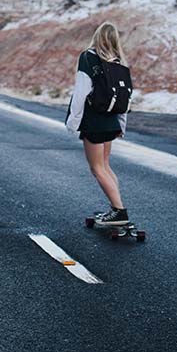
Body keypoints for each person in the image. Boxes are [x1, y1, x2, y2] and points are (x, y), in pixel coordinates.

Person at [65, 22, 130, 225]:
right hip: (111, 120)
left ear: (97, 37)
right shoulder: (118, 62)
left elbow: (81, 92)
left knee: (97, 169)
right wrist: (121, 125)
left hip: (94, 121)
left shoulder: (88, 57)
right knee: (105, 166)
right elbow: (125, 98)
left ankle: (119, 211)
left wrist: (72, 121)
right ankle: (115, 209)